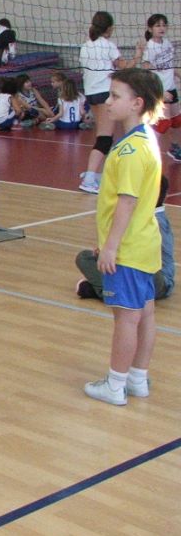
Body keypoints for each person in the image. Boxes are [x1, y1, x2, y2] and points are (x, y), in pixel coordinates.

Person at [81, 67, 163, 406]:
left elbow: (126, 202)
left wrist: (110, 247)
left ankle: (115, 384)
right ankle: (137, 378)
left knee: (126, 318)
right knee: (145, 314)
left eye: (115, 96)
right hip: (146, 243)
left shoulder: (130, 151)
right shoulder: (146, 139)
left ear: (136, 103)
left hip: (128, 249)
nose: (109, 101)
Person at [77, 175, 174, 301]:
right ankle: (119, 288)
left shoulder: (157, 221)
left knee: (131, 268)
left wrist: (112, 253)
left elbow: (143, 255)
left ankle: (105, 292)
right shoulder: (144, 215)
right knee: (85, 257)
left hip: (158, 279)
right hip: (139, 270)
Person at [80, 11, 133, 193]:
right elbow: (125, 68)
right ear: (109, 29)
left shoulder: (86, 46)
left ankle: (97, 175)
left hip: (91, 93)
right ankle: (89, 178)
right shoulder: (108, 46)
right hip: (104, 93)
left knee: (104, 136)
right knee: (105, 138)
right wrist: (138, 55)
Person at [137, 14, 181, 161]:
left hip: (171, 87)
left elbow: (170, 67)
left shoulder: (167, 44)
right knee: (164, 123)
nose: (161, 28)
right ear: (150, 29)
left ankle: (174, 148)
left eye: (163, 25)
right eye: (157, 25)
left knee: (177, 121)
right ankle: (146, 150)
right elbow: (146, 73)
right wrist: (160, 92)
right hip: (159, 90)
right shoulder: (150, 47)